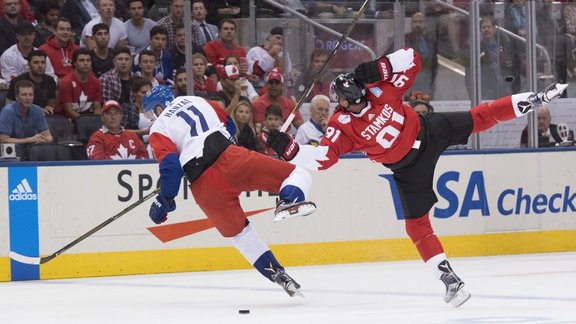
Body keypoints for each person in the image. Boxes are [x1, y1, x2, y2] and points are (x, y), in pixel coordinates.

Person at [264, 47, 569, 307]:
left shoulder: (377, 89)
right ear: (342, 104)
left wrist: (381, 66)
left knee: (480, 116)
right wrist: (290, 150)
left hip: (428, 129)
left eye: (361, 96)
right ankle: (448, 278)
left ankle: (535, 98)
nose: (362, 102)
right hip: (408, 167)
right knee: (416, 225)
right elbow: (323, 159)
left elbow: (413, 59)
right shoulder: (341, 125)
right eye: (355, 101)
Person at [142, 85, 316, 297]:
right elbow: (230, 126)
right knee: (298, 173)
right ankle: (287, 201)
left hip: (204, 188)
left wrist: (165, 199)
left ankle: (279, 275)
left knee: (241, 236)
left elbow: (171, 167)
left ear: (159, 108)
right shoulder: (199, 101)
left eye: (151, 112)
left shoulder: (158, 127)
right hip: (231, 159)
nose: (152, 118)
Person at [0, 80, 53, 159]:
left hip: (31, 151)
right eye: (24, 95)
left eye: (31, 94)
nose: (28, 98)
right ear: (17, 97)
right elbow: (3, 140)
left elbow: (49, 137)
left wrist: (43, 140)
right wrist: (29, 140)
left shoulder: (37, 110)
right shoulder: (8, 111)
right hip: (10, 154)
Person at [6, 50, 57, 115]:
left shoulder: (50, 80)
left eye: (43, 62)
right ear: (29, 64)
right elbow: (9, 106)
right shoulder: (17, 81)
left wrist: (49, 107)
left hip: (43, 117)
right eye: (36, 62)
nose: (40, 65)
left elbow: (52, 102)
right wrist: (36, 110)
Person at [58, 48, 103, 118]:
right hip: (68, 120)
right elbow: (68, 110)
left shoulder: (96, 82)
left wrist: (96, 122)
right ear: (74, 63)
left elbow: (97, 108)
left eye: (88, 60)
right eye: (81, 60)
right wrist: (84, 122)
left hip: (89, 118)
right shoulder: (66, 82)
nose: (85, 63)